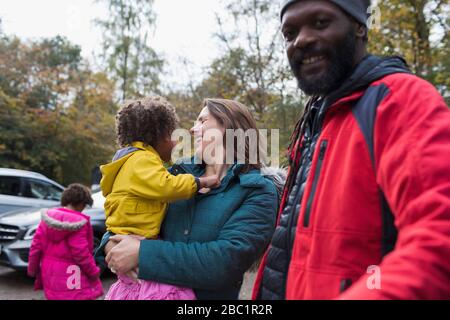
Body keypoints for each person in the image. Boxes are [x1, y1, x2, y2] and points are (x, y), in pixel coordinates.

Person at [253, 0, 450, 300]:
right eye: (290, 33)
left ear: (360, 26)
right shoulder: (314, 118)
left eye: (320, 22)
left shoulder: (399, 101)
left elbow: (438, 238)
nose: (301, 40)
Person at [95, 99, 284, 300]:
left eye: (202, 121)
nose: (193, 130)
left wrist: (142, 253)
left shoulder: (257, 190)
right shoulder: (174, 175)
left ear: (229, 127)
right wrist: (109, 244)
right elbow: (128, 212)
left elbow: (225, 262)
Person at [100, 96, 221, 300]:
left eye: (202, 121)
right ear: (163, 135)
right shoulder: (143, 160)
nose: (178, 141)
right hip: (138, 236)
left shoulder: (128, 161)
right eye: (174, 135)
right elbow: (166, 186)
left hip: (128, 237)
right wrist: (200, 182)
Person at [28, 184, 103, 300]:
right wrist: (94, 272)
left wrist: (32, 270)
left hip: (49, 272)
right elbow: (81, 254)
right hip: (73, 275)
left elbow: (35, 247)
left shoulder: (47, 219)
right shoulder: (79, 223)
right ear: (81, 203)